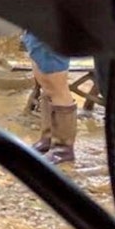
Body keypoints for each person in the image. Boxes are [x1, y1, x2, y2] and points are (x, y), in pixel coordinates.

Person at [23, 31, 78, 164]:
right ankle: (48, 138)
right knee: (44, 81)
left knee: (55, 85)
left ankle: (63, 148)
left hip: (53, 28)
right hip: (38, 24)